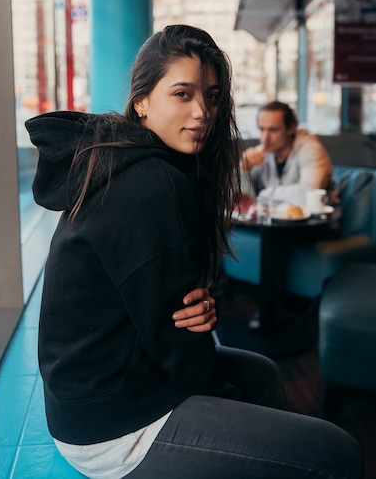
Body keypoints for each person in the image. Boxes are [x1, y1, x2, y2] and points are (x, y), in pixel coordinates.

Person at [26, 25, 362, 479]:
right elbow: (180, 340)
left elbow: (171, 309)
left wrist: (198, 309)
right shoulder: (148, 184)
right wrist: (219, 394)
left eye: (213, 95)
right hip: (113, 423)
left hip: (100, 388)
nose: (203, 111)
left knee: (261, 372)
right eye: (182, 94)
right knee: (337, 451)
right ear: (142, 100)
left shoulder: (127, 161)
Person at [240, 100, 338, 205]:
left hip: (315, 220)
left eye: (273, 130)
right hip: (275, 220)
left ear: (291, 128)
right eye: (262, 129)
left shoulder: (312, 150)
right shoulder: (262, 153)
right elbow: (243, 202)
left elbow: (308, 195)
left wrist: (265, 194)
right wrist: (242, 170)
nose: (265, 138)